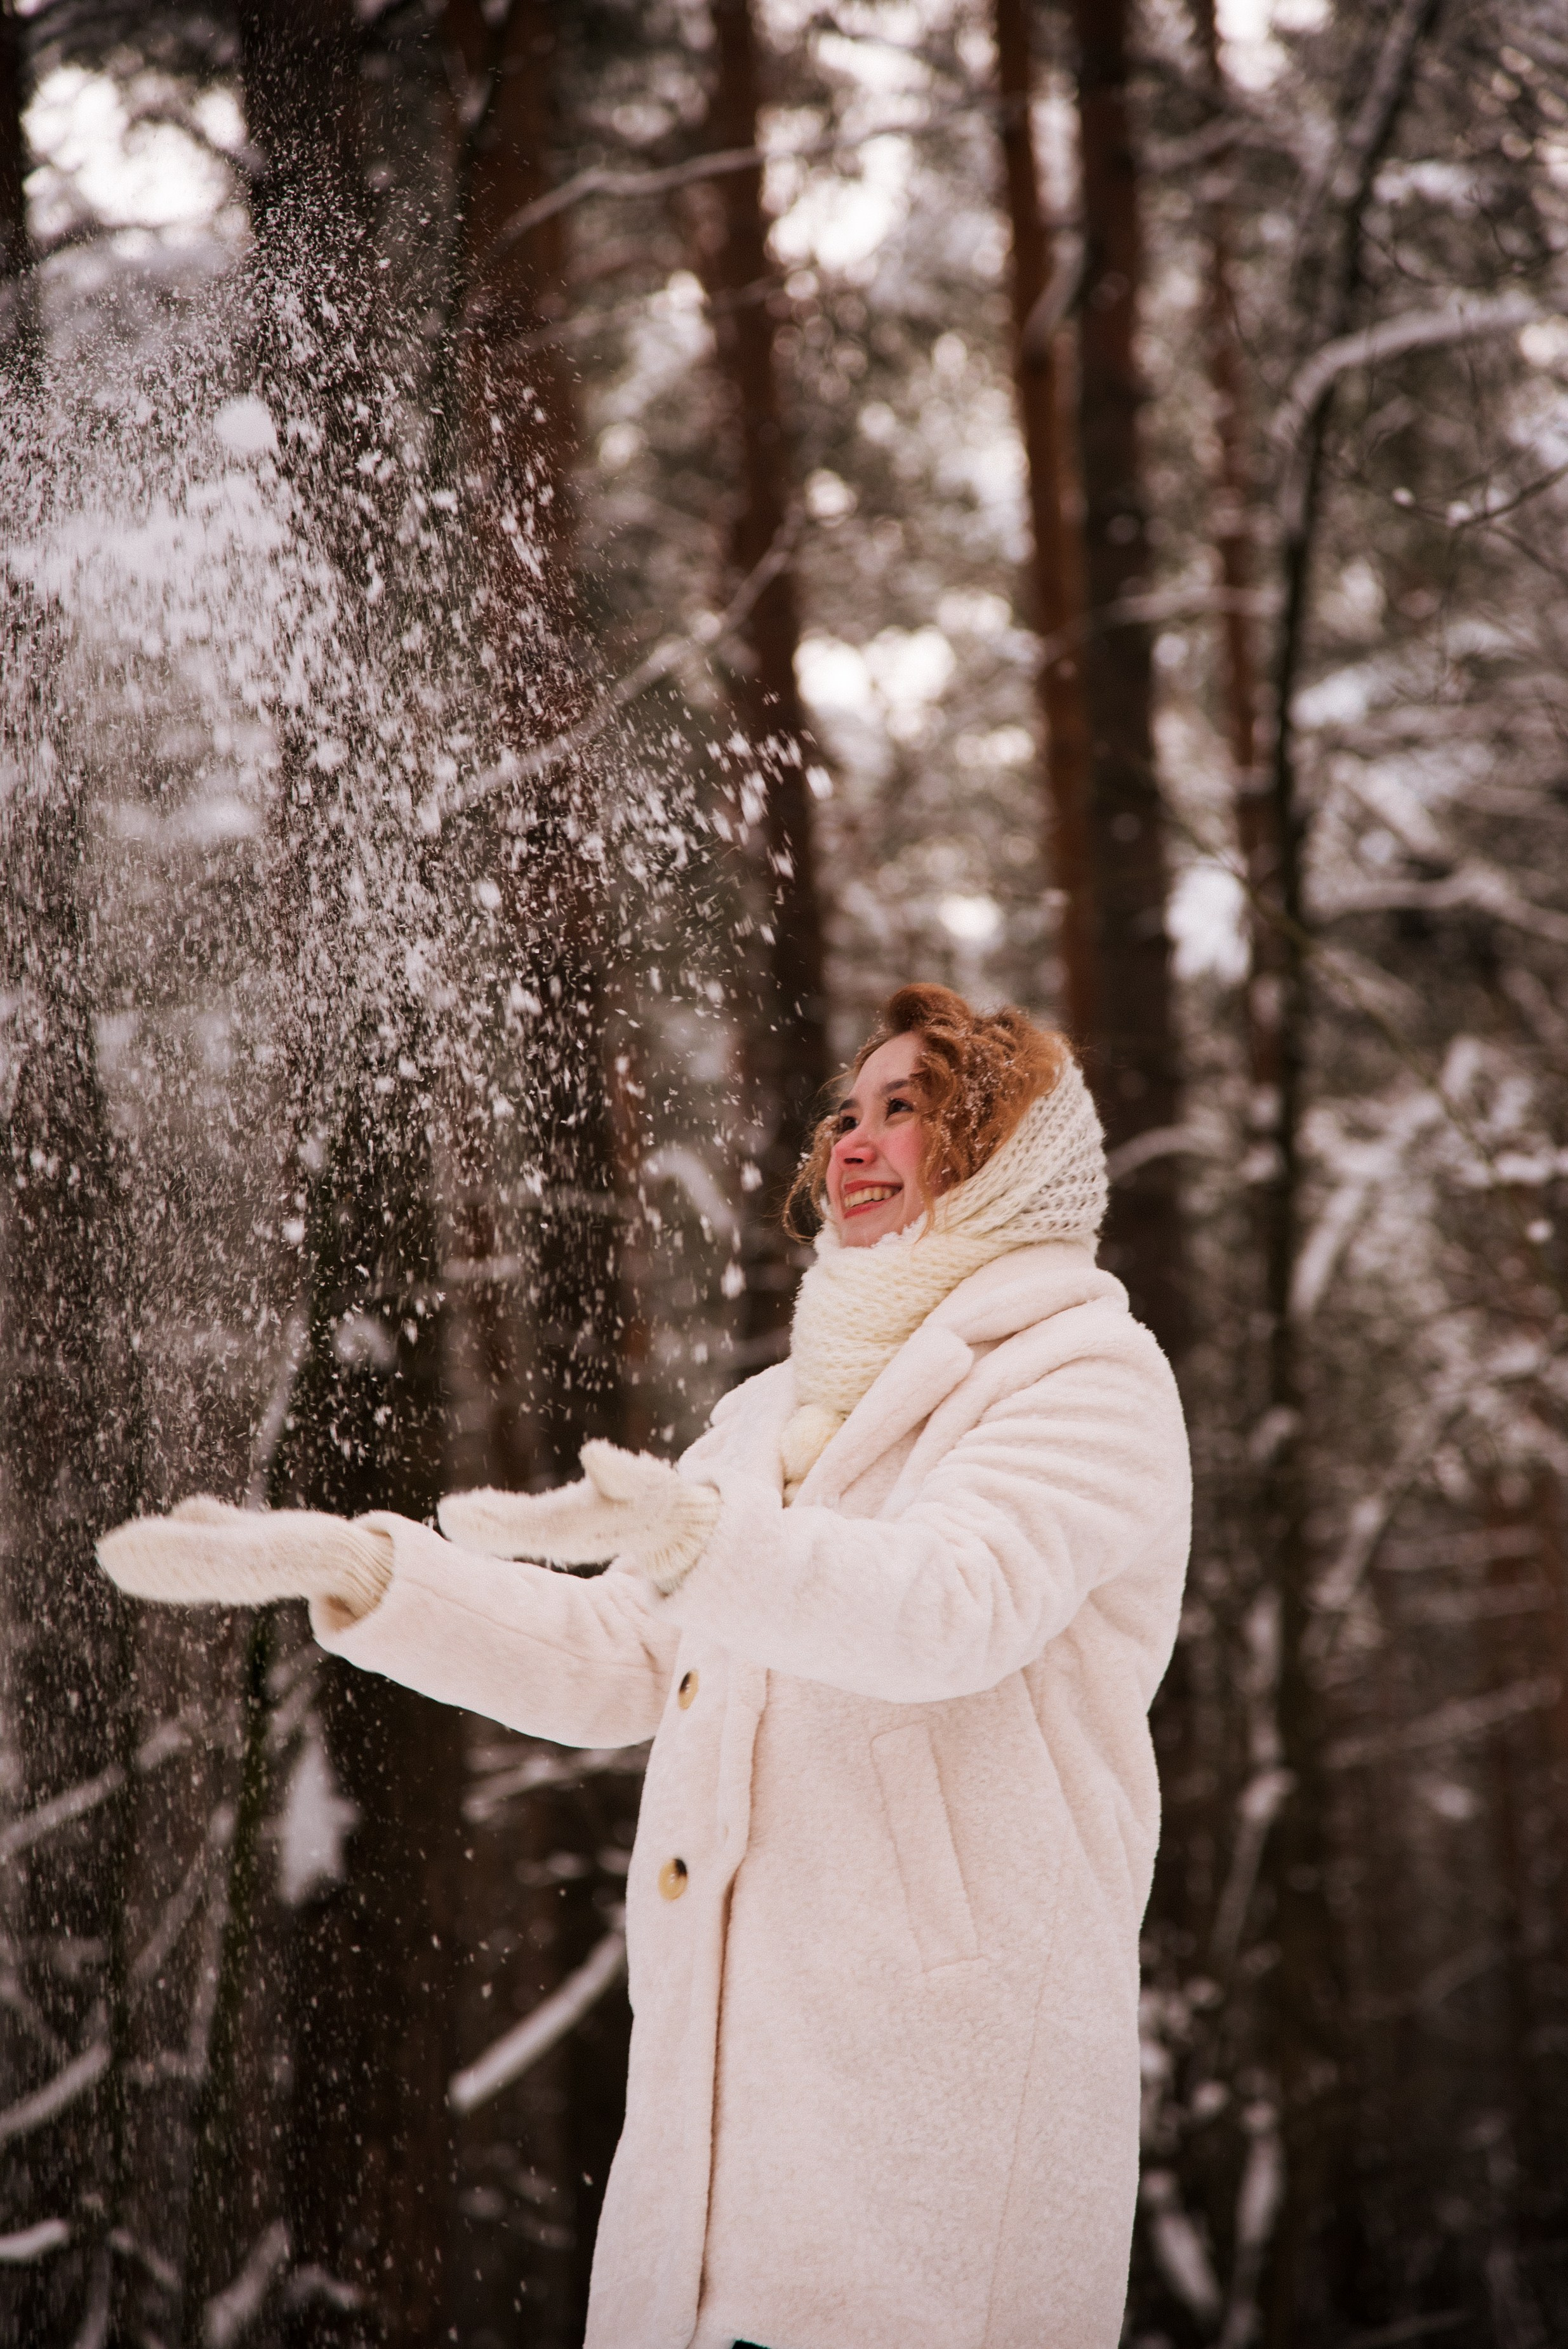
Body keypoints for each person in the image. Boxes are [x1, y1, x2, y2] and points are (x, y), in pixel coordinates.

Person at [101, 982, 1191, 2349]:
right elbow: (628, 1654)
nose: (849, 1139)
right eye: (843, 1111)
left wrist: (692, 1537)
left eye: (904, 1108)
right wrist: (371, 1572)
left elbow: (949, 1604)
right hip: (721, 2127)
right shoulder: (764, 1418)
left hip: (933, 2140)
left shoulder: (1081, 1373)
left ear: (1008, 1146)